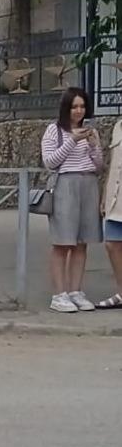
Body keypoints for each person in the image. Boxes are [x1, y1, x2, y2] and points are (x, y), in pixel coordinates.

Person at [41, 87, 105, 313]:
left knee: (81, 242)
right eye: (74, 107)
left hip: (88, 183)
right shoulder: (54, 131)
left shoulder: (89, 131)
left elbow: (98, 166)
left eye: (82, 106)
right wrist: (71, 141)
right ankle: (59, 294)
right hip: (65, 184)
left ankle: (76, 290)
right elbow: (50, 162)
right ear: (66, 108)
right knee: (62, 242)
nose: (78, 111)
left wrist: (95, 146)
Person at [99, 120, 122, 310]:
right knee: (112, 244)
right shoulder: (118, 126)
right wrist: (105, 194)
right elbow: (112, 163)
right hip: (116, 198)